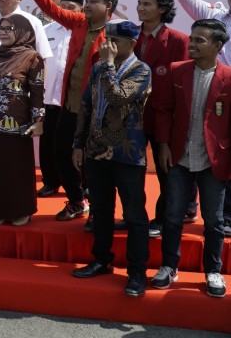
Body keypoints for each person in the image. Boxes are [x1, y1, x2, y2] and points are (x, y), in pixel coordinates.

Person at [30, 0, 118, 222]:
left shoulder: (116, 33)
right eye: (87, 1)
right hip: (70, 105)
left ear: (109, 7)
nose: (88, 5)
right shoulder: (79, 23)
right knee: (60, 154)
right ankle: (77, 201)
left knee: (93, 161)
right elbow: (51, 9)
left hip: (97, 111)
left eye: (94, 2)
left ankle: (98, 207)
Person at [71, 21, 152, 298]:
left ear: (132, 43)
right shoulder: (97, 68)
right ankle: (101, 259)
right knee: (101, 210)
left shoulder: (141, 70)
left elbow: (118, 98)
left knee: (134, 215)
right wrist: (78, 144)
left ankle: (137, 273)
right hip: (96, 150)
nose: (109, 45)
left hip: (127, 154)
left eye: (115, 40)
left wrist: (106, 64)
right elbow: (85, 106)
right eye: (108, 39)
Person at [152, 19, 231, 298]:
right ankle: (168, 266)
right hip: (179, 156)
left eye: (200, 40)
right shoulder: (176, 71)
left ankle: (213, 270)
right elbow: (162, 110)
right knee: (172, 216)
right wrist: (162, 145)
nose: (193, 44)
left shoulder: (229, 77)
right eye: (192, 38)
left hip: (214, 160)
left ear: (218, 46)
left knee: (214, 220)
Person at [173, 0, 231, 236]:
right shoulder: (215, 16)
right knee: (199, 146)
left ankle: (225, 216)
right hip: (208, 93)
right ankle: (187, 207)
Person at [0, 15, 45, 225]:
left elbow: (37, 91)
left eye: (9, 28)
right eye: (1, 28)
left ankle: (20, 209)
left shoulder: (32, 56)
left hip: (16, 122)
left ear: (22, 31)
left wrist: (38, 119)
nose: (3, 32)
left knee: (15, 168)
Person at [134, 0, 190, 237]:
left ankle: (162, 220)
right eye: (140, 3)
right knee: (129, 175)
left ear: (163, 9)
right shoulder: (129, 35)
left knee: (167, 173)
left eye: (147, 4)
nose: (141, 8)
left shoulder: (178, 41)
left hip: (163, 118)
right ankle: (134, 217)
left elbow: (182, 84)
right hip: (130, 117)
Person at [38, 0, 84, 198]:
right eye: (62, 7)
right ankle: (50, 181)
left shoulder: (84, 30)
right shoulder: (47, 30)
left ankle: (79, 185)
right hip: (49, 96)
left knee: (73, 144)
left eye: (71, 8)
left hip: (73, 99)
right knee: (48, 143)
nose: (66, 11)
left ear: (81, 9)